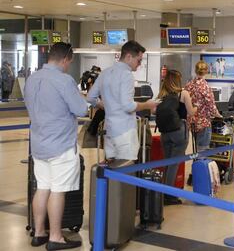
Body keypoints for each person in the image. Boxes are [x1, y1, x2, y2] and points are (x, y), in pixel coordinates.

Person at [24, 42, 88, 250]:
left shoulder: (32, 79)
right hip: (61, 146)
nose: (69, 65)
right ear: (65, 59)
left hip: (39, 145)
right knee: (58, 190)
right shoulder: (64, 80)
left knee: (42, 187)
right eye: (70, 61)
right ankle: (56, 237)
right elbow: (80, 109)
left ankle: (39, 233)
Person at [87, 41, 158, 161]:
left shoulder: (105, 73)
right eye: (139, 60)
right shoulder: (126, 75)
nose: (139, 64)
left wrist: (106, 105)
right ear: (129, 56)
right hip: (125, 133)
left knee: (111, 173)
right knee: (126, 172)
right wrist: (147, 104)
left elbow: (90, 98)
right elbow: (128, 106)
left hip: (109, 131)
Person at [157, 70, 196, 205]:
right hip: (179, 131)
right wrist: (196, 108)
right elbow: (191, 112)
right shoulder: (183, 93)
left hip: (164, 132)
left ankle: (163, 191)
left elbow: (153, 110)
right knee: (174, 164)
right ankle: (169, 196)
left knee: (167, 162)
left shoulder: (162, 94)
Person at [185, 60, 222, 152]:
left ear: (195, 70)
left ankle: (196, 165)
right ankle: (200, 166)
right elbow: (211, 106)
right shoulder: (205, 86)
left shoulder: (189, 85)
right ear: (206, 71)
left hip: (192, 122)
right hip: (203, 123)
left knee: (196, 149)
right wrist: (219, 115)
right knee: (202, 150)